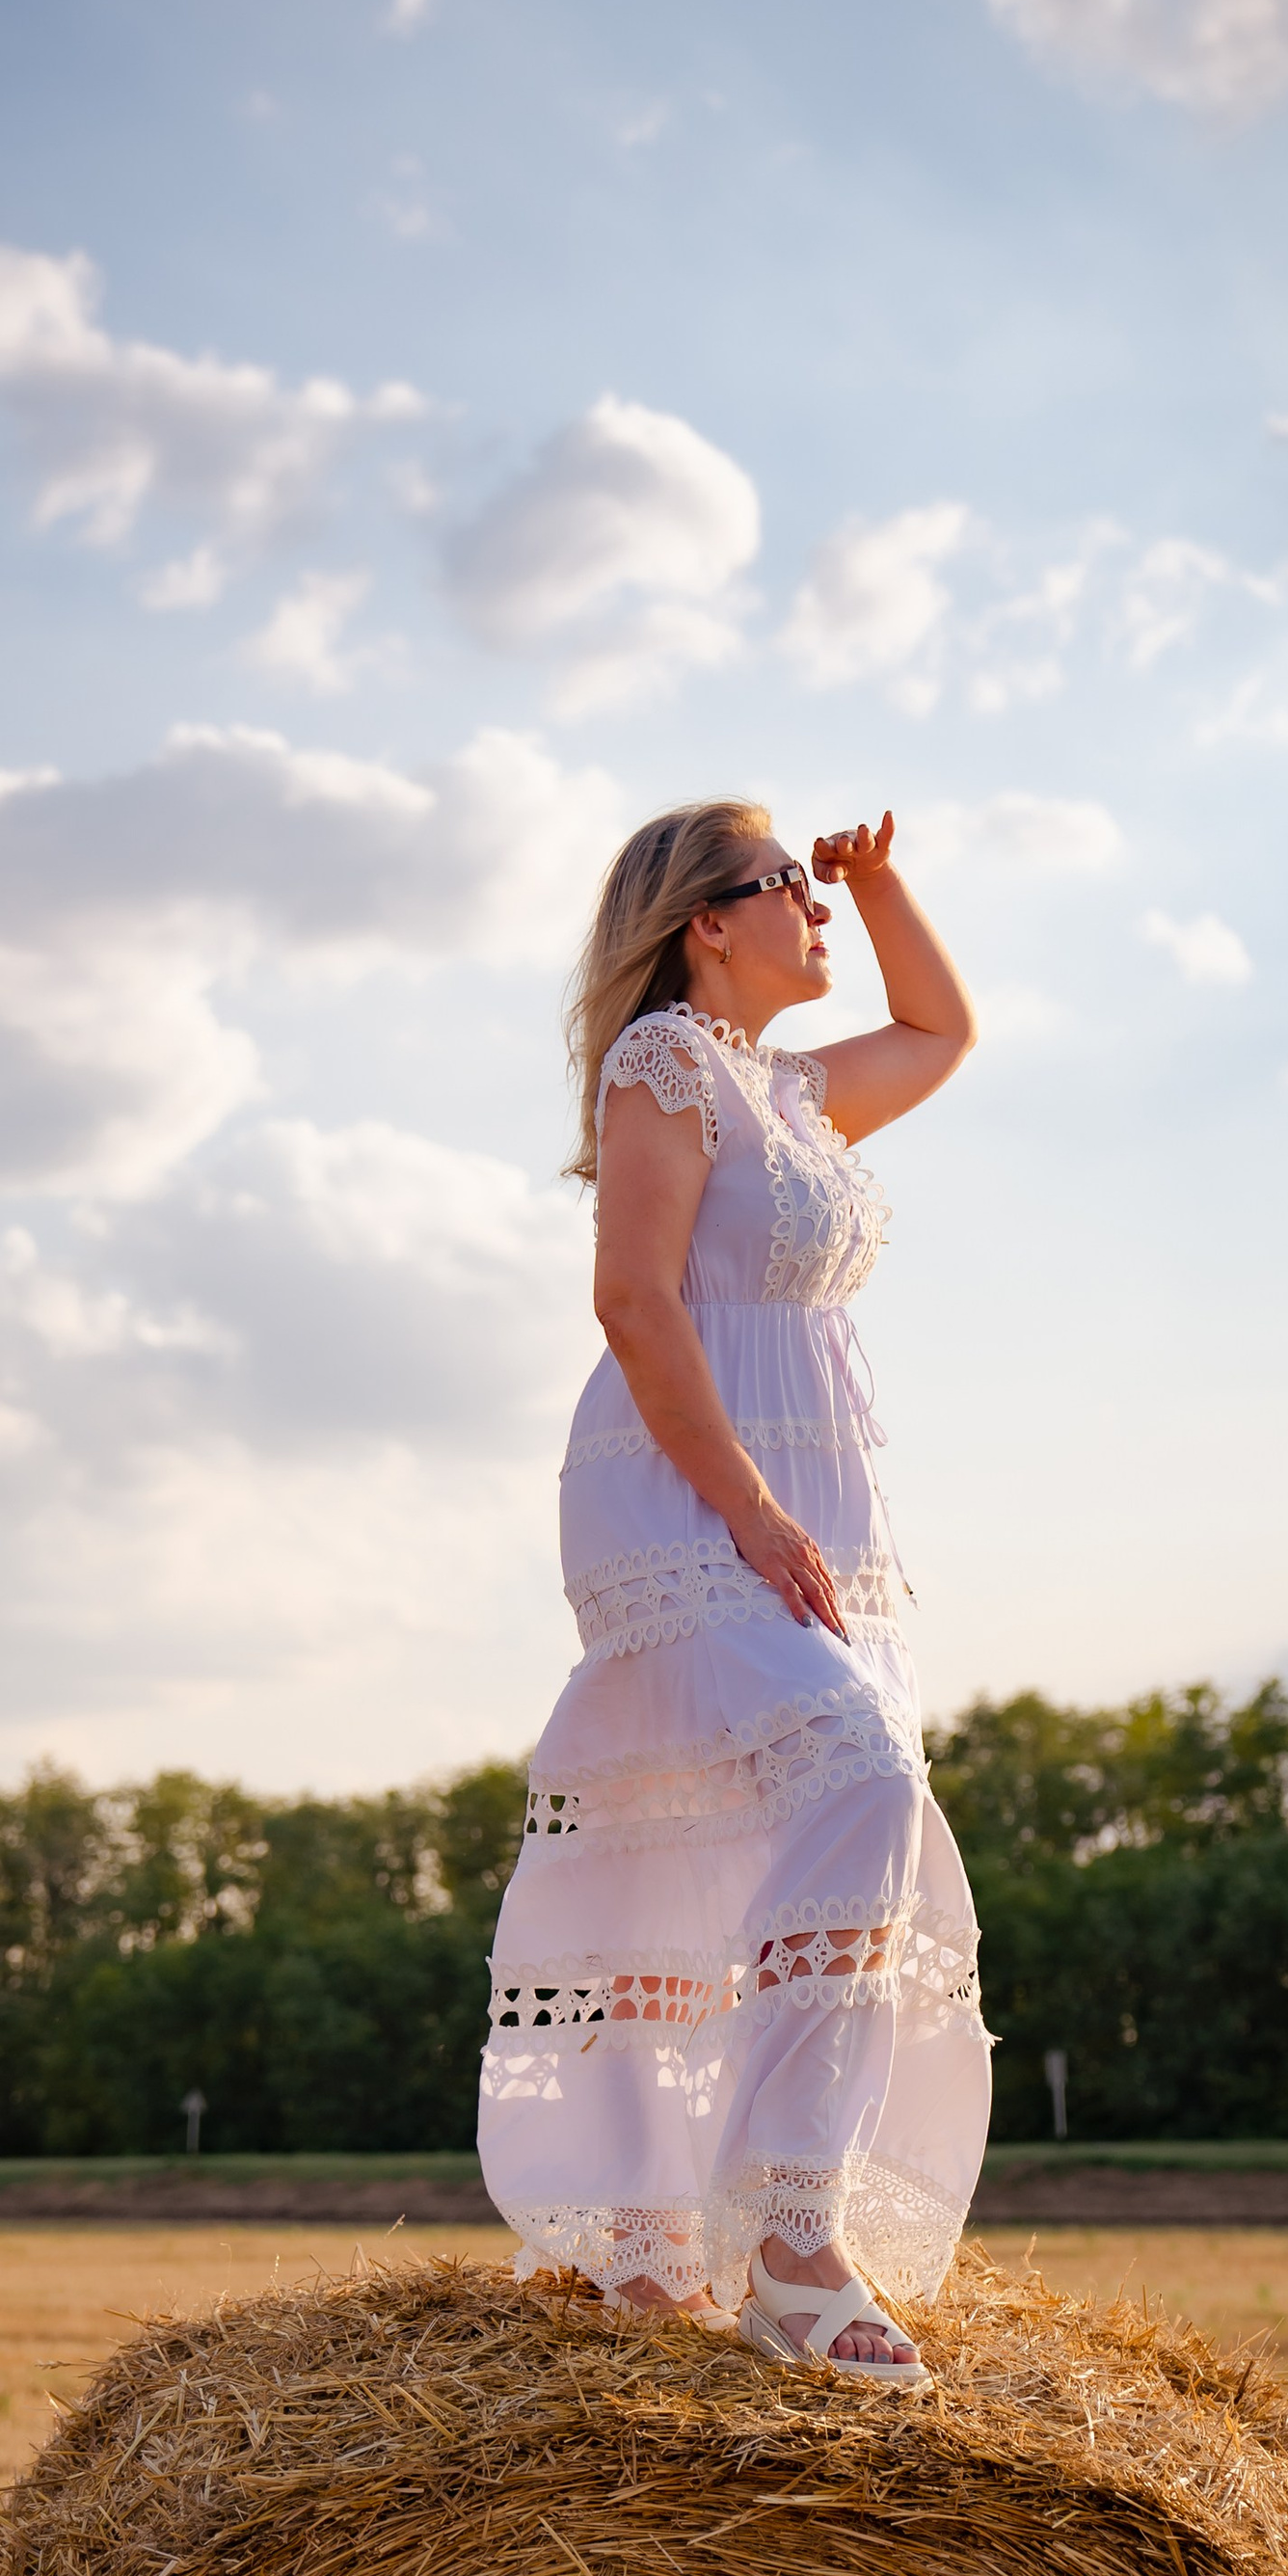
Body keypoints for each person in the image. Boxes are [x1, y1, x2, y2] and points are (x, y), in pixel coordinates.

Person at [476, 800, 990, 2389]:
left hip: (812, 1502)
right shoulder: (668, 1070)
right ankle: (787, 2231)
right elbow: (633, 1298)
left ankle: (673, 2231)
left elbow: (942, 1029)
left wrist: (881, 880)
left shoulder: (799, 1093)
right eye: (792, 888)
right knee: (858, 1773)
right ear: (711, 921)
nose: (815, 911)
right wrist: (752, 1510)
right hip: (689, 1491)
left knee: (744, 1831)